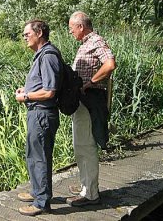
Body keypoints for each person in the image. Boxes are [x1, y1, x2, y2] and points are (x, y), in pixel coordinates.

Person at [66, 11, 116, 207]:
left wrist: (90, 83)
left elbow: (110, 64)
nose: (70, 32)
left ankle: (91, 194)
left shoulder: (95, 40)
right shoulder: (87, 43)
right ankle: (86, 186)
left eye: (71, 28)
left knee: (85, 145)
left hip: (90, 100)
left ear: (81, 26)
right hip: (84, 101)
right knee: (81, 144)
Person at [15, 19, 62, 216]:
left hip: (42, 114)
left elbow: (50, 91)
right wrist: (27, 90)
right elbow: (41, 85)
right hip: (37, 112)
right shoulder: (40, 55)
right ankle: (37, 192)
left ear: (40, 33)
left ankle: (41, 203)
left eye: (28, 33)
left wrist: (25, 96)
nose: (25, 37)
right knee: (33, 155)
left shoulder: (48, 56)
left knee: (40, 158)